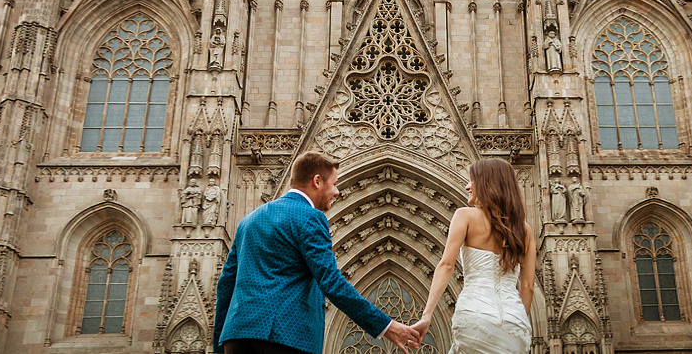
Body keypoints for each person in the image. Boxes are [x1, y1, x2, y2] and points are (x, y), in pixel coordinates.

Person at [214, 151, 421, 354]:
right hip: (284, 337)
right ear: (317, 181)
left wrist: (219, 346)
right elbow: (331, 281)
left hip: (235, 339)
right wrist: (386, 326)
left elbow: (225, 286)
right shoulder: (309, 217)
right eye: (334, 184)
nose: (337, 192)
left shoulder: (248, 221)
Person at [411, 158, 534, 353]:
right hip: (514, 322)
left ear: (488, 183)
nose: (467, 186)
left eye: (472, 180)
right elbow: (528, 286)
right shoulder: (525, 230)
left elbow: (446, 266)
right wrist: (517, 321)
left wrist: (427, 315)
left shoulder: (465, 216)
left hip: (475, 315)